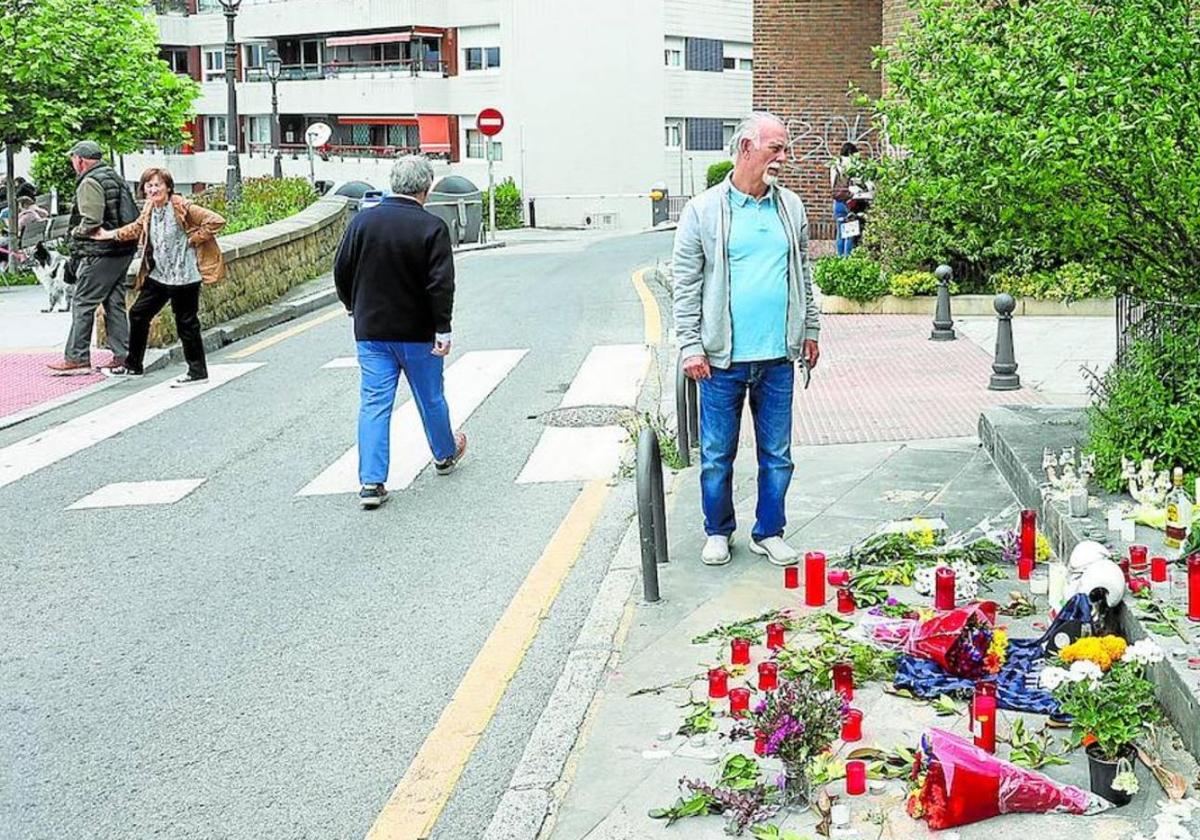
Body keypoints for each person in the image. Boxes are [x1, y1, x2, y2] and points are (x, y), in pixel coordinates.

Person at [673, 111, 821, 567]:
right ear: (745, 149)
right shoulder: (702, 210)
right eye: (775, 148)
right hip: (720, 360)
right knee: (718, 454)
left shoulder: (790, 207)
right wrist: (690, 345)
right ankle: (718, 530)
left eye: (784, 148)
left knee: (777, 454)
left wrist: (810, 330)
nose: (783, 157)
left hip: (778, 356)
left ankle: (768, 531)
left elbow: (803, 274)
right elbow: (686, 282)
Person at [333, 154, 467, 509]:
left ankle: (371, 483)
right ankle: (444, 453)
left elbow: (342, 269)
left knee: (375, 403)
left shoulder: (363, 222)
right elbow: (441, 284)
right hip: (418, 332)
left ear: (394, 183)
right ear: (426, 187)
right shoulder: (432, 227)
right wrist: (443, 327)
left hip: (372, 332)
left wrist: (351, 305)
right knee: (431, 396)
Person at [91, 167, 226, 385]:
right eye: (149, 185)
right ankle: (133, 366)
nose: (153, 189)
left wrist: (194, 239)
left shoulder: (181, 206)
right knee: (138, 313)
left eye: (158, 185)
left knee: (186, 323)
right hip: (160, 275)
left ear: (168, 187)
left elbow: (216, 220)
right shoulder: (149, 209)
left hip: (184, 276)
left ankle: (197, 372)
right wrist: (110, 235)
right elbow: (137, 228)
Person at [46, 140, 139, 375]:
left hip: (100, 252)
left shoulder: (90, 181)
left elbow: (92, 220)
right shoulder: (113, 176)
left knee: (83, 302)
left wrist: (76, 232)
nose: (72, 164)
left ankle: (77, 358)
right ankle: (123, 355)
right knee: (114, 302)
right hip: (122, 249)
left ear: (81, 160)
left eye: (73, 159)